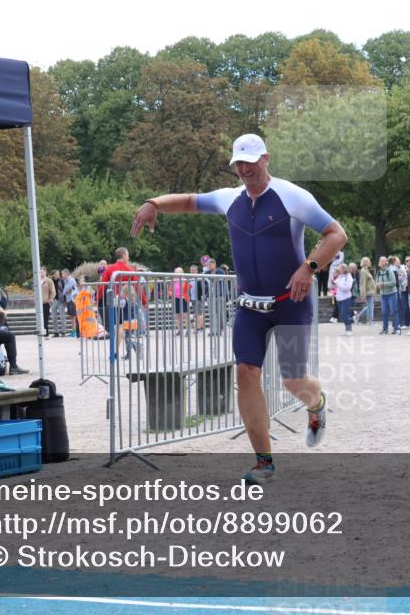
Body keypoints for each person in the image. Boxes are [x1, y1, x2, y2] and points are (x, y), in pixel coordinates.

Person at [131, 133, 347, 484]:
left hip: (291, 301)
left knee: (293, 380)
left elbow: (336, 234)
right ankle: (264, 463)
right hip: (249, 305)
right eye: (239, 163)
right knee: (246, 373)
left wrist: (308, 269)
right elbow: (188, 201)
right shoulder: (229, 198)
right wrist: (153, 202)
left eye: (250, 161)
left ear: (266, 159)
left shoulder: (292, 196)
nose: (245, 169)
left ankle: (316, 404)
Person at [375, 256, 400, 335]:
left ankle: (397, 329)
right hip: (383, 295)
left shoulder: (390, 271)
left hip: (392, 294)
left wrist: (384, 284)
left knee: (394, 311)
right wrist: (378, 285)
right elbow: (376, 282)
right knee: (384, 312)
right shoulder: (378, 272)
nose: (382, 262)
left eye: (383, 261)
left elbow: (394, 283)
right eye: (380, 261)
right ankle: (385, 329)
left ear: (386, 263)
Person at [333, 264, 355, 336]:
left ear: (344, 269)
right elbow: (334, 282)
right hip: (339, 299)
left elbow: (347, 288)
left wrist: (338, 285)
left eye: (340, 269)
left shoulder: (349, 277)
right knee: (342, 315)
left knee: (345, 314)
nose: (339, 271)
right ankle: (347, 329)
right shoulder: (340, 276)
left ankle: (349, 330)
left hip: (346, 299)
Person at [354, 257, 376, 325]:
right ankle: (370, 321)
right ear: (366, 262)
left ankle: (358, 316)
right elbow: (362, 283)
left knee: (369, 306)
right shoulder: (363, 271)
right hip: (367, 292)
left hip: (370, 291)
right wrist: (363, 295)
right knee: (370, 306)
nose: (370, 263)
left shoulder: (366, 270)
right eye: (369, 261)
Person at [61, 269, 79, 338]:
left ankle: (75, 332)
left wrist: (67, 291)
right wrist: (66, 291)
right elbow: (64, 292)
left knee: (73, 316)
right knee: (72, 316)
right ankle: (73, 331)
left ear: (66, 273)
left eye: (62, 274)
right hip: (69, 300)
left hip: (72, 300)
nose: (62, 275)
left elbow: (66, 290)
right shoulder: (66, 281)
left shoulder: (71, 280)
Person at [39, 267, 56, 338]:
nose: (41, 273)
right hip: (39, 303)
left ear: (45, 272)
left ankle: (46, 333)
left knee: (45, 318)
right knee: (40, 318)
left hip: (45, 302)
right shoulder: (37, 280)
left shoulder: (49, 281)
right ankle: (41, 331)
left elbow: (53, 291)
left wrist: (50, 299)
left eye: (42, 272)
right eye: (40, 272)